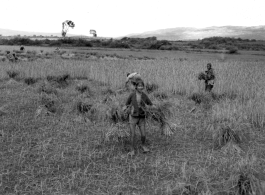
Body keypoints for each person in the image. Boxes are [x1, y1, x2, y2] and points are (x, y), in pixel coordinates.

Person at [123, 79, 154, 155]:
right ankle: (132, 150)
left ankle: (143, 145)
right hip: (133, 117)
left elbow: (150, 104)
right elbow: (126, 104)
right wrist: (124, 109)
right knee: (132, 134)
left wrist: (154, 108)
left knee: (143, 134)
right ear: (136, 87)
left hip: (142, 117)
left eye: (142, 86)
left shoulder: (144, 96)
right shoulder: (132, 95)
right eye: (139, 86)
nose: (140, 87)